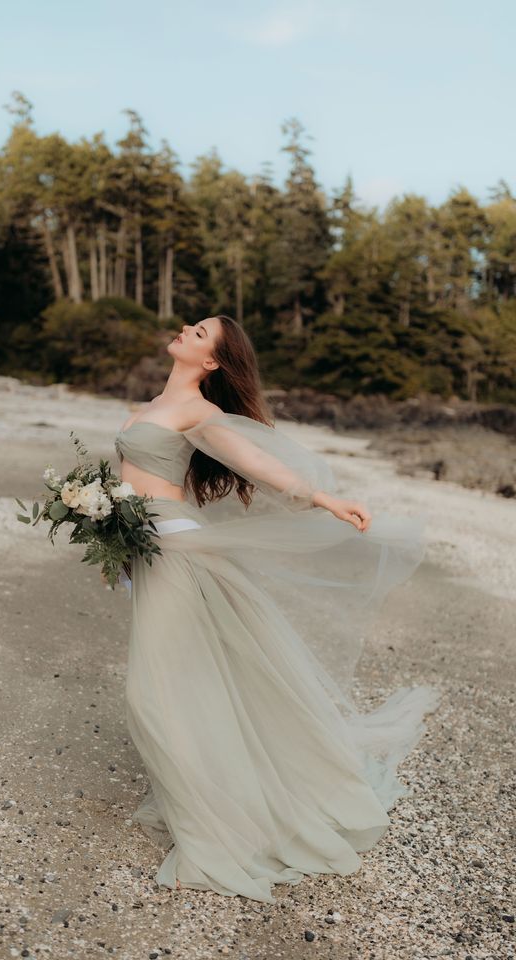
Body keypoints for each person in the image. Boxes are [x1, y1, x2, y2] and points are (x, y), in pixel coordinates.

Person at [111, 314, 441, 904]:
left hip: (177, 547)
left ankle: (214, 841)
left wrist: (321, 498)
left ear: (212, 362)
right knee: (196, 678)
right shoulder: (154, 402)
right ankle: (226, 803)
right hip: (148, 545)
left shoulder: (199, 412)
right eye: (192, 325)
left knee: (153, 691)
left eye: (200, 331)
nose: (187, 327)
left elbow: (254, 462)